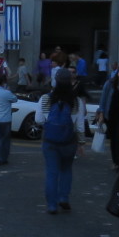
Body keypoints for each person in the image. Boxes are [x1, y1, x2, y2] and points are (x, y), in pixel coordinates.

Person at [38, 70, 86, 213]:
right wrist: (81, 143)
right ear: (71, 82)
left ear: (55, 81)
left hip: (50, 141)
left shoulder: (45, 98)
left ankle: (52, 205)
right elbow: (80, 125)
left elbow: (38, 120)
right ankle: (63, 198)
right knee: (66, 170)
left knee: (52, 173)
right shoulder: (76, 101)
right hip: (69, 142)